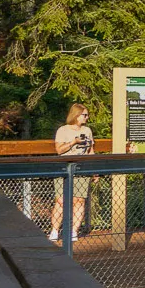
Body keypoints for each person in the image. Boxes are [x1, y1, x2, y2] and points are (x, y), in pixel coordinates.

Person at [48, 102, 96, 241]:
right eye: (84, 115)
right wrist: (74, 142)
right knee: (61, 201)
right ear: (76, 115)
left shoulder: (87, 131)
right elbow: (59, 150)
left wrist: (94, 170)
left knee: (79, 201)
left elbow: (90, 151)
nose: (87, 117)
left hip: (82, 169)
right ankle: (55, 231)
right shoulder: (63, 130)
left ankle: (73, 231)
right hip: (64, 168)